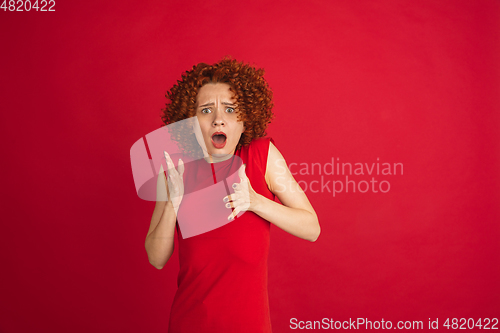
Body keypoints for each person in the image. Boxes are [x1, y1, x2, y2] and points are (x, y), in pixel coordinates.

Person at [145, 58, 320, 332]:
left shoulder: (262, 156)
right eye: (206, 110)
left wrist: (255, 201)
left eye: (229, 109)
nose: (218, 119)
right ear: (190, 122)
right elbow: (156, 259)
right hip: (190, 324)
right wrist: (172, 204)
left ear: (244, 118)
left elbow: (312, 228)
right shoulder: (175, 169)